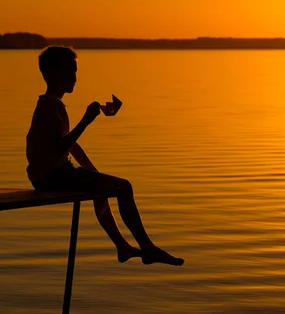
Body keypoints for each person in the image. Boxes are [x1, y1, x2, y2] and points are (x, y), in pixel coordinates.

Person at [25, 45, 184, 266]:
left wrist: (91, 170)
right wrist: (86, 121)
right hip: (52, 177)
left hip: (50, 175)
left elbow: (69, 145)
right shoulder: (50, 107)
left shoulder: (52, 104)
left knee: (100, 186)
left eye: (75, 71)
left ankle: (122, 246)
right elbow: (58, 149)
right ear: (52, 73)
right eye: (69, 71)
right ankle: (148, 248)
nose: (74, 77)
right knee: (124, 187)